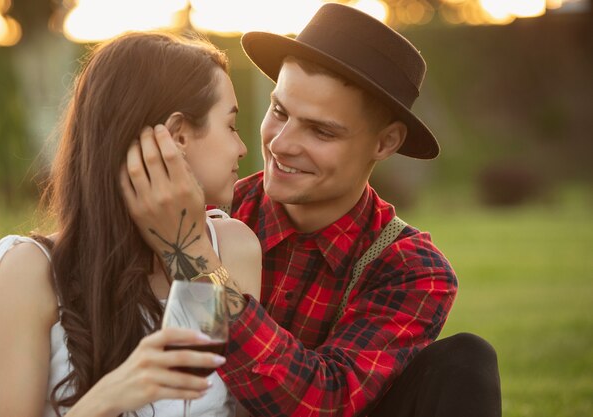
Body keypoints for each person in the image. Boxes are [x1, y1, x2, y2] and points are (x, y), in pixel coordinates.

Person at [128, 3, 502, 417]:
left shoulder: (414, 269)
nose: (281, 143)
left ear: (385, 143)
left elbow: (325, 403)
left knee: (465, 360)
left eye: (321, 130)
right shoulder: (211, 214)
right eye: (279, 111)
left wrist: (193, 256)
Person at [0, 32, 262, 417]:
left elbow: (194, 398)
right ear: (177, 136)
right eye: (231, 125)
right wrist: (107, 399)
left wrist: (188, 246)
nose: (242, 147)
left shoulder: (230, 249)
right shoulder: (30, 272)